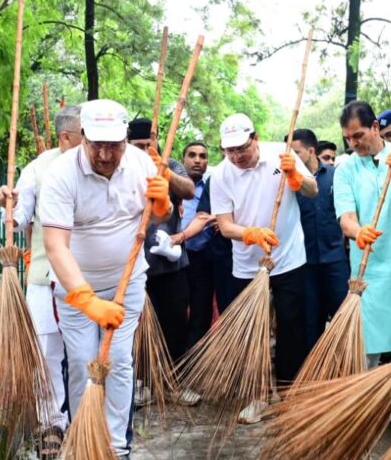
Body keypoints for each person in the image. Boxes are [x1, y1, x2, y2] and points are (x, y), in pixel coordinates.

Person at [39, 99, 171, 459]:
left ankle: (116, 447)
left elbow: (156, 220)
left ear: (126, 139)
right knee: (83, 362)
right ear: (82, 136)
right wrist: (85, 297)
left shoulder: (141, 163)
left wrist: (162, 206)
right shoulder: (61, 174)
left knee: (120, 362)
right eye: (97, 143)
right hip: (75, 289)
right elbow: (55, 245)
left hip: (126, 284)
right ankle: (85, 443)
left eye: (113, 144)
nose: (105, 153)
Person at [210, 113, 317, 423]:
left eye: (242, 148)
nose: (237, 156)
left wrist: (296, 178)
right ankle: (257, 395)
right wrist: (249, 233)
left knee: (291, 325)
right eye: (230, 150)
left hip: (288, 258)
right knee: (253, 330)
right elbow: (225, 225)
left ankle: (285, 391)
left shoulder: (280, 155)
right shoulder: (221, 175)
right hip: (247, 264)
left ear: (254, 138)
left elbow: (313, 190)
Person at [334, 101, 391, 436]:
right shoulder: (346, 168)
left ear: (375, 126)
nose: (353, 143)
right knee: (365, 343)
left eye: (358, 135)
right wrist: (358, 231)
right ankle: (364, 403)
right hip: (369, 269)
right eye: (348, 138)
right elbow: (346, 217)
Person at [0, 104, 81, 457]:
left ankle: (86, 417)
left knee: (83, 353)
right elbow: (19, 217)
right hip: (45, 274)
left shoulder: (99, 167)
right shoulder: (37, 169)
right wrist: (7, 204)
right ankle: (52, 422)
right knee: (47, 350)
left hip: (88, 276)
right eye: (84, 134)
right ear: (66, 137)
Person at [126, 118, 195, 363]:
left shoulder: (170, 164)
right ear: (127, 143)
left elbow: (189, 190)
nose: (145, 150)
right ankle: (144, 381)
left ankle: (175, 380)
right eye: (138, 145)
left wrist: (164, 171)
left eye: (149, 144)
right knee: (140, 326)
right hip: (135, 265)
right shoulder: (123, 169)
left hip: (171, 264)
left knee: (175, 322)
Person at [285, 128, 348, 350]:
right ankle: (313, 371)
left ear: (311, 151)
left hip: (335, 259)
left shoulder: (335, 175)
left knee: (343, 314)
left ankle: (343, 366)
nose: (291, 158)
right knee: (310, 320)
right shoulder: (287, 179)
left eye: (296, 153)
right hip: (304, 261)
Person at [177, 141, 220, 348]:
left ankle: (193, 363)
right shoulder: (173, 186)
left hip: (203, 258)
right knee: (175, 311)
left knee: (201, 313)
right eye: (192, 155)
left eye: (203, 156)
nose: (197, 160)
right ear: (182, 159)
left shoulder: (214, 186)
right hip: (175, 257)